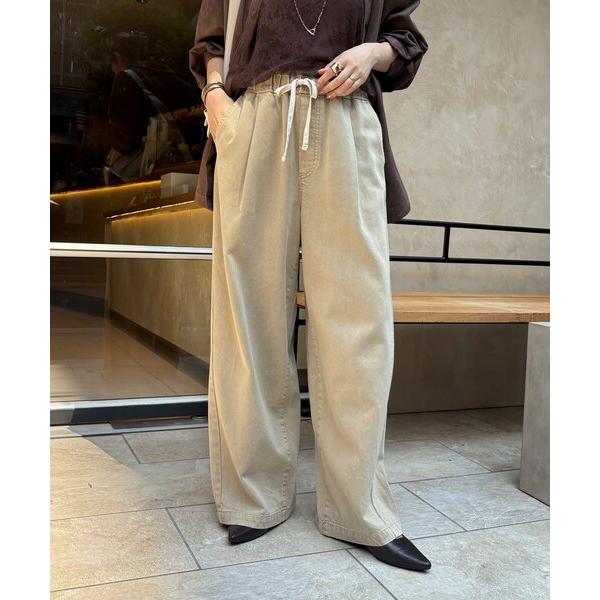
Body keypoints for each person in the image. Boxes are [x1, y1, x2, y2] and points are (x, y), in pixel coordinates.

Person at [190, 0, 430, 571]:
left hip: (344, 118)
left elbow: (403, 39)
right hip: (255, 118)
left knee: (358, 319)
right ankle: (253, 497)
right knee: (250, 318)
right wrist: (216, 96)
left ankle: (360, 508)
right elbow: (212, 40)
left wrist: (371, 54)